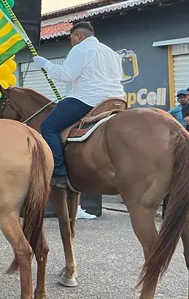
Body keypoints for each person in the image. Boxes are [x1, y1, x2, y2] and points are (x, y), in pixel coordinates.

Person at [33, 21, 124, 190]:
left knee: (48, 127)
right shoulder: (112, 53)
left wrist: (46, 64)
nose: (71, 41)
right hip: (116, 101)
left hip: (88, 99)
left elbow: (67, 75)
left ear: (78, 36)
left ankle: (59, 174)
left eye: (71, 38)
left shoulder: (80, 49)